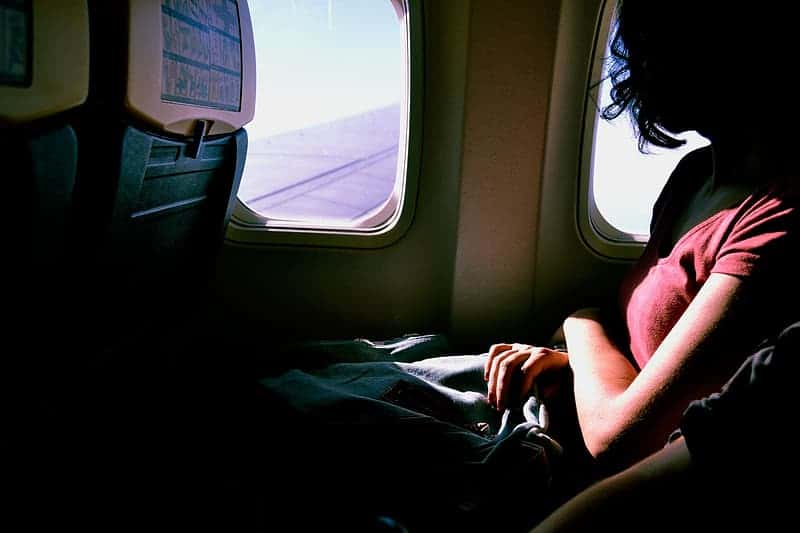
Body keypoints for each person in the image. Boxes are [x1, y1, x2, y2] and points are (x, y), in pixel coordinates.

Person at [484, 0, 800, 481]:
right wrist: (569, 366)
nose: (638, 65)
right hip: (569, 413)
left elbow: (622, 441)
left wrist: (580, 321)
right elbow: (643, 363)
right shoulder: (693, 178)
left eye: (659, 43)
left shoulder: (778, 217)